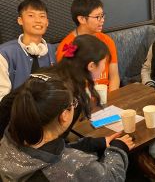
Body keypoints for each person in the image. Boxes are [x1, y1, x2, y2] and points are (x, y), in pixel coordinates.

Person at [0, 73, 134, 181]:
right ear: (64, 115)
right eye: (73, 103)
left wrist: (92, 144)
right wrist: (118, 148)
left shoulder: (9, 136)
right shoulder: (74, 166)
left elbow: (48, 152)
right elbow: (112, 177)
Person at [0, 35, 121, 153]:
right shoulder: (71, 97)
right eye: (103, 64)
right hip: (34, 157)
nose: (103, 69)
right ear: (91, 66)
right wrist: (96, 144)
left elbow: (6, 103)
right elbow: (57, 148)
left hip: (10, 145)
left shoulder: (44, 73)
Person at [55, 0, 120, 91]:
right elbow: (68, 86)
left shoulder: (107, 41)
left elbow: (114, 76)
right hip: (82, 98)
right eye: (97, 17)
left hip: (107, 95)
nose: (102, 20)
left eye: (102, 15)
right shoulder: (67, 47)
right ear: (81, 19)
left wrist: (111, 100)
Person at [0, 0, 56, 101]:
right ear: (20, 20)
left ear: (47, 22)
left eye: (42, 16)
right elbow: (1, 97)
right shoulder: (4, 54)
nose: (38, 20)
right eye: (31, 15)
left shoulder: (52, 51)